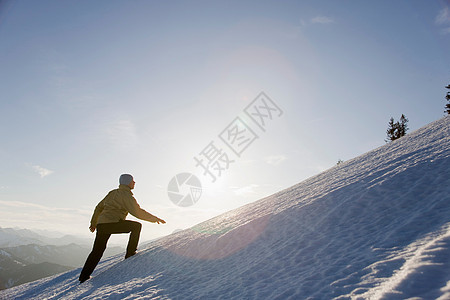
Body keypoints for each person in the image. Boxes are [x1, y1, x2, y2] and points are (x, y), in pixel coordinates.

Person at [79, 174, 165, 283]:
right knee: (136, 226)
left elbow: (99, 207)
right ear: (128, 182)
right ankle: (130, 253)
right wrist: (154, 218)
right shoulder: (126, 196)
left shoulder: (112, 193)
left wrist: (94, 222)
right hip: (112, 223)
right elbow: (137, 212)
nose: (134, 183)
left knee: (97, 251)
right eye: (133, 181)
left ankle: (83, 277)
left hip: (102, 225)